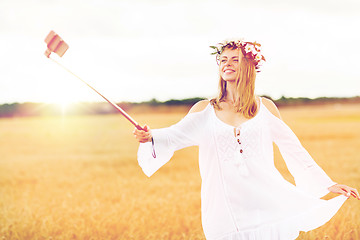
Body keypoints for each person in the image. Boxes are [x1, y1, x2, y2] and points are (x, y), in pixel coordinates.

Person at [133, 39, 359, 240]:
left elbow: (293, 149)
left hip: (267, 202)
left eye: (234, 59)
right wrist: (149, 136)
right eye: (222, 59)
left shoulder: (266, 107)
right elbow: (172, 136)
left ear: (249, 67)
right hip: (225, 209)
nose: (226, 64)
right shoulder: (204, 110)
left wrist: (328, 184)